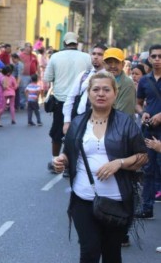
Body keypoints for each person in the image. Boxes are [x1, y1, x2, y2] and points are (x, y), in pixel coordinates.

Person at [53, 72, 147, 263]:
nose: (100, 94)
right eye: (96, 89)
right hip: (83, 198)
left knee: (112, 253)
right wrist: (60, 160)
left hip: (117, 202)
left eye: (106, 89)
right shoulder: (78, 122)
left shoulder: (126, 122)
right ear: (89, 93)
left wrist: (119, 162)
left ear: (115, 93)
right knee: (89, 251)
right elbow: (68, 153)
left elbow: (143, 156)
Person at [44, 32, 91, 173]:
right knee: (78, 133)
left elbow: (48, 78)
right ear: (77, 43)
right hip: (80, 101)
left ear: (64, 43)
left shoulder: (55, 57)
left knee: (57, 133)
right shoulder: (87, 57)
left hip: (61, 101)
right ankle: (71, 163)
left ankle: (56, 161)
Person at [136, 44, 161, 219]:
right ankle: (147, 207)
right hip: (150, 130)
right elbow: (138, 103)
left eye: (160, 56)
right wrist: (142, 113)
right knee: (148, 168)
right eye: (154, 56)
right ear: (149, 59)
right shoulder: (144, 80)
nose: (157, 59)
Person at [63, 44, 107, 134]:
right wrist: (67, 121)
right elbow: (71, 98)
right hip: (80, 120)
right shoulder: (84, 75)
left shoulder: (109, 77)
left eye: (100, 54)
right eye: (94, 54)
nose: (95, 57)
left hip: (101, 122)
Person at [19, 42, 39, 109]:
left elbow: (37, 64)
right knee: (24, 89)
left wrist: (38, 73)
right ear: (25, 47)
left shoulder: (34, 56)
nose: (29, 48)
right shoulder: (21, 55)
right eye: (28, 47)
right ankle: (22, 103)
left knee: (33, 90)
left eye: (30, 47)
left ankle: (32, 103)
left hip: (33, 75)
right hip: (24, 75)